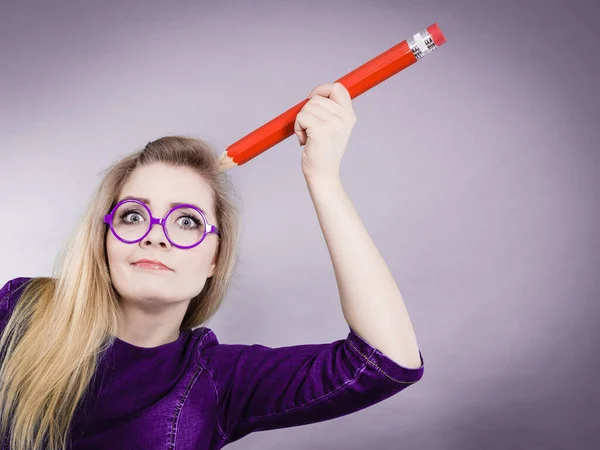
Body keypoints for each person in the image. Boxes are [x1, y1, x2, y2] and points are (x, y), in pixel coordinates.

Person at [0, 82, 424, 450]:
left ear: (214, 260)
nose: (156, 234)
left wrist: (324, 178)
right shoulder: (22, 309)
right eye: (133, 215)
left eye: (187, 221)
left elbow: (388, 362)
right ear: (104, 238)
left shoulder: (218, 379)